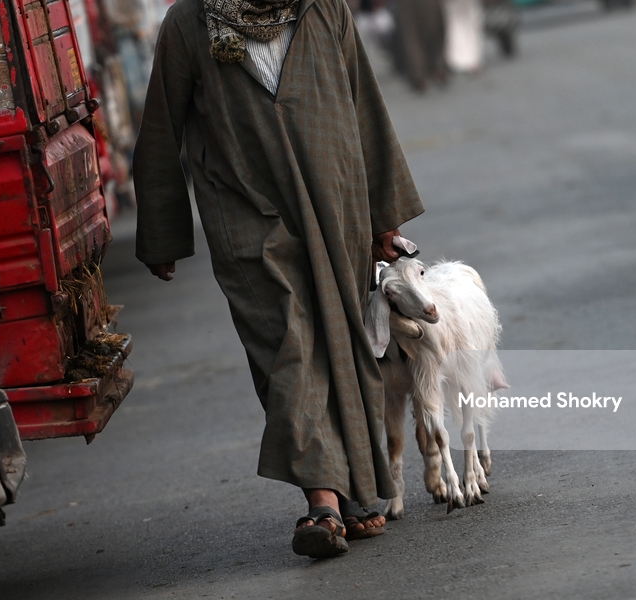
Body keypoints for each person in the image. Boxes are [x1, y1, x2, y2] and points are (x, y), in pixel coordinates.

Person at [132, 0, 424, 558]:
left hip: (333, 200)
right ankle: (323, 503)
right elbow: (162, 125)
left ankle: (358, 493)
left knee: (343, 339)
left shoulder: (324, 9)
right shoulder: (188, 21)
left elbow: (364, 104)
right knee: (286, 345)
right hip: (243, 210)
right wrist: (163, 233)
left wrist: (383, 219)